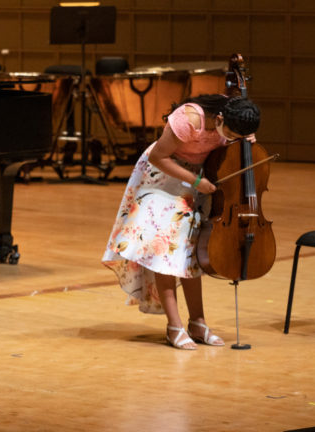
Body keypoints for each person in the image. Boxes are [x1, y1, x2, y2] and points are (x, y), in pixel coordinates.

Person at [101, 94, 260, 350]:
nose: (230, 138)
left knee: (190, 253)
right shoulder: (188, 118)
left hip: (196, 179)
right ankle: (174, 327)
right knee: (166, 249)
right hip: (161, 177)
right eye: (229, 133)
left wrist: (248, 140)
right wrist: (196, 182)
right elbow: (158, 158)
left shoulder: (234, 116)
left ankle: (197, 323)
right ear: (219, 118)